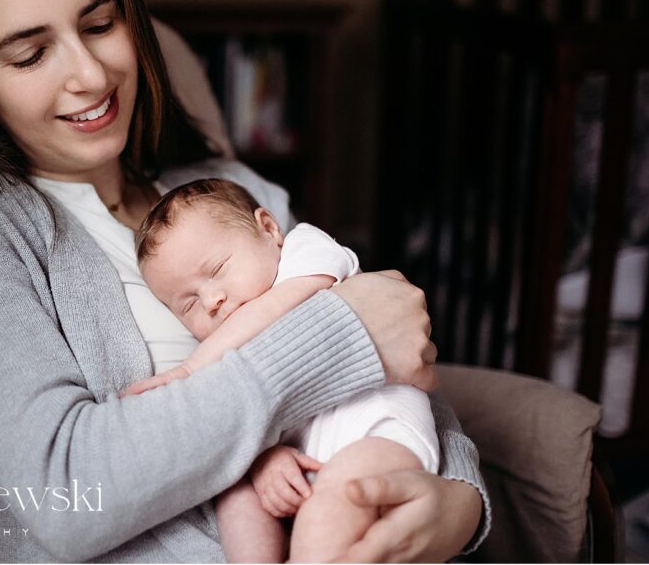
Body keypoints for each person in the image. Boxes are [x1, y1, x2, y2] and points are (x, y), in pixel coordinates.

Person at [0, 0, 490, 562]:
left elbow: (393, 383)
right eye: (31, 54)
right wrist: (343, 337)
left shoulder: (230, 189)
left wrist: (460, 501)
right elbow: (66, 494)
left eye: (99, 25)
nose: (91, 75)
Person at [124, 178, 439, 562]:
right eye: (187, 304)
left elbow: (276, 310)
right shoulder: (224, 341)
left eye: (219, 268)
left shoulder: (305, 251)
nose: (211, 301)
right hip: (306, 454)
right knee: (232, 491)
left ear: (269, 228)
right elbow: (248, 414)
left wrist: (191, 371)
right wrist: (262, 459)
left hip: (377, 432)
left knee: (333, 507)